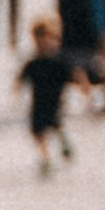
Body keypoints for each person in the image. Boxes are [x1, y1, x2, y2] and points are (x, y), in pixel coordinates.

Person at [17, 13, 79, 172]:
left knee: (49, 126)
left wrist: (83, 87)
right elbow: (22, 76)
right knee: (43, 129)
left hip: (50, 100)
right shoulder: (37, 61)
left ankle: (56, 149)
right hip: (42, 101)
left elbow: (75, 73)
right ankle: (48, 155)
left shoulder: (56, 60)